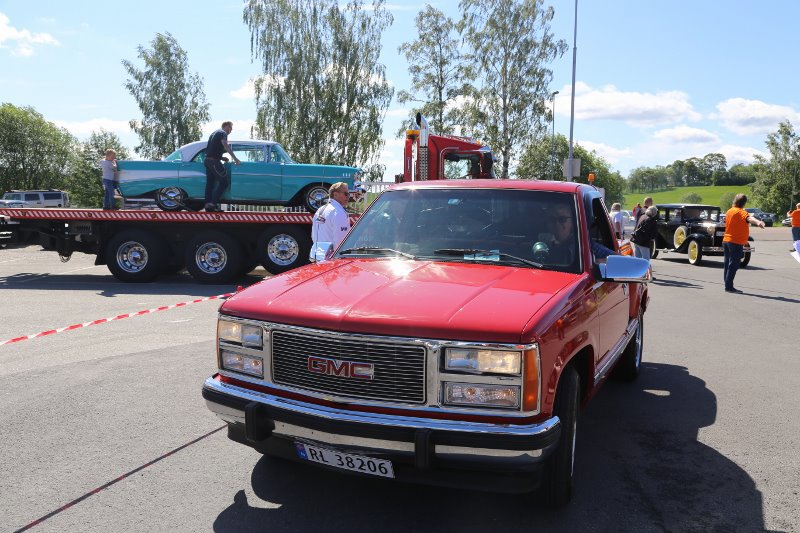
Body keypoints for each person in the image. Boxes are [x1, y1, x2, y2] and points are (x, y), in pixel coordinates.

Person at [723, 193, 765, 293]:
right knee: (733, 265)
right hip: (736, 242)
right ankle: (729, 287)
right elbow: (749, 218)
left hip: (726, 240)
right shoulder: (741, 212)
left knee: (727, 264)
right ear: (744, 203)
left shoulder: (729, 211)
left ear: (735, 201)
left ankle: (727, 284)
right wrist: (758, 222)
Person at [309, 182, 351, 262]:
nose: (348, 196)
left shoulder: (320, 210)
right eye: (346, 194)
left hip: (317, 255)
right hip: (331, 259)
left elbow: (314, 235)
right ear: (335, 194)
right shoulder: (338, 212)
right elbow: (341, 240)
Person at [204, 121, 241, 212]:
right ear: (226, 126)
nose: (231, 131)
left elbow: (211, 149)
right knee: (224, 183)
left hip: (207, 161)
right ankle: (212, 204)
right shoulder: (223, 133)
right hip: (214, 162)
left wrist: (221, 157)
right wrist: (235, 159)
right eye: (231, 128)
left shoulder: (214, 133)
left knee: (210, 183)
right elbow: (225, 145)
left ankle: (208, 205)